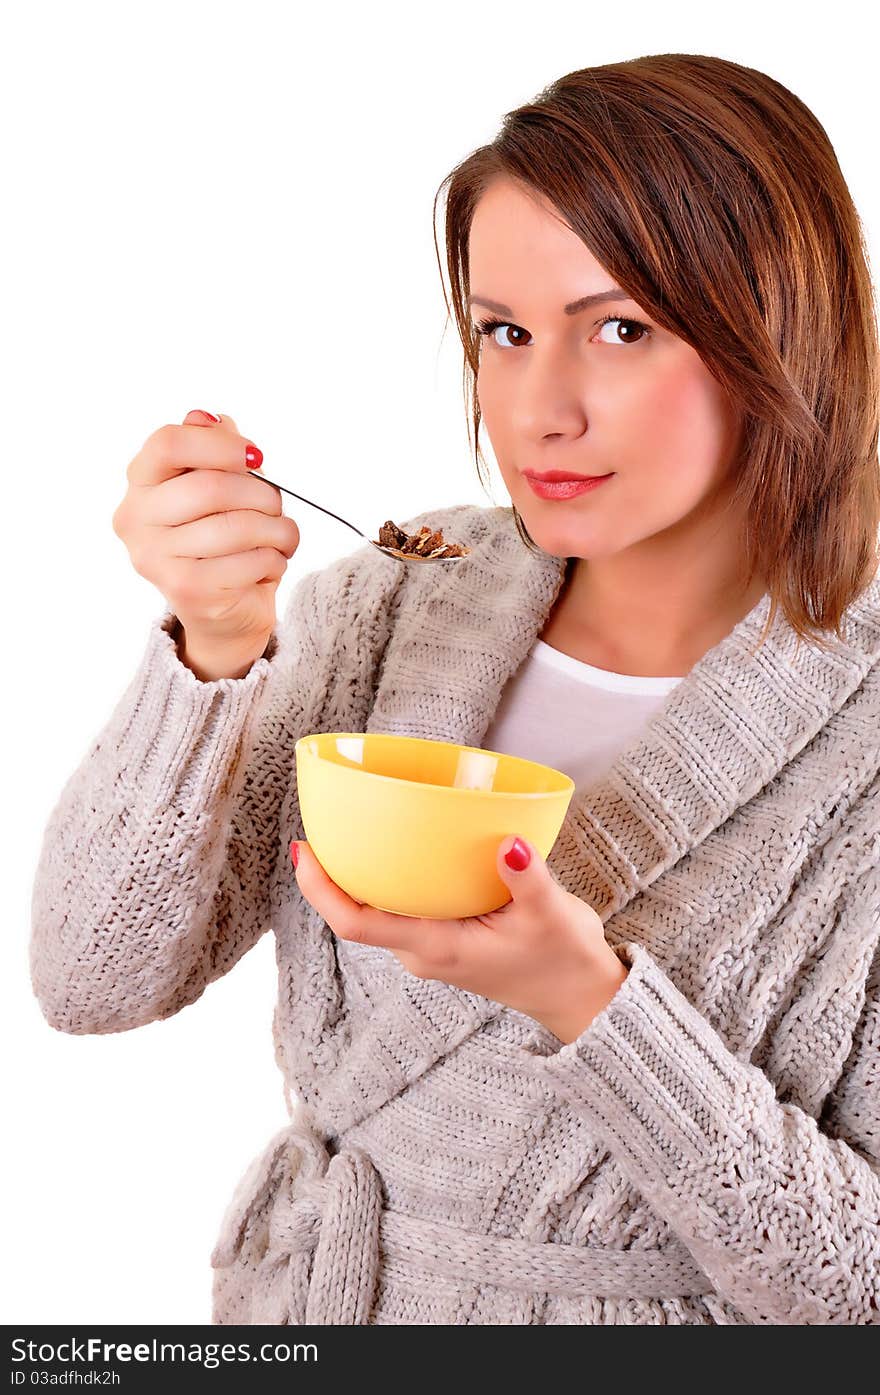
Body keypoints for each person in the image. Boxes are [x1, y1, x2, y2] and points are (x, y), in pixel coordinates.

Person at [30, 52, 880, 1325]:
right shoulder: (393, 605)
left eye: (621, 329)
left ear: (781, 329)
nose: (540, 408)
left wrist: (584, 1001)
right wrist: (211, 651)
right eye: (504, 333)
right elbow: (89, 981)